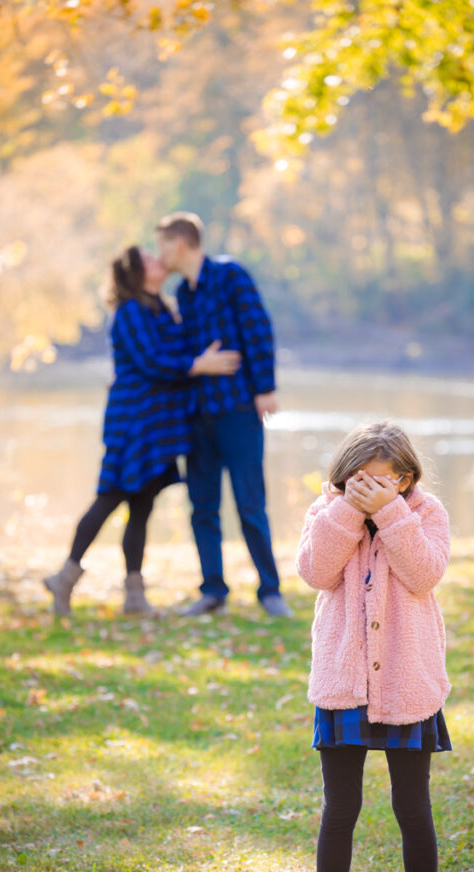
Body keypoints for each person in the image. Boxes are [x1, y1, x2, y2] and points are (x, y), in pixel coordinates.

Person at [295, 420, 453, 872]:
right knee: (340, 806)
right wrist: (348, 511)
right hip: (345, 682)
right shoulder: (327, 512)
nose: (365, 488)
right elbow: (317, 572)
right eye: (355, 479)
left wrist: (389, 514)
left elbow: (424, 573)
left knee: (413, 805)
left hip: (408, 681)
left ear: (405, 479)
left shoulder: (425, 514)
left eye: (379, 481)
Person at [43, 245, 241, 616]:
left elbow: (168, 355)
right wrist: (199, 364)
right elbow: (152, 363)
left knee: (142, 505)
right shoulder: (130, 311)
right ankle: (64, 577)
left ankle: (134, 596)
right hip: (134, 421)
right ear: (136, 273)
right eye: (149, 259)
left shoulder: (161, 307)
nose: (158, 261)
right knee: (110, 495)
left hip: (159, 422)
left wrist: (200, 358)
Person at [155, 211, 292, 618]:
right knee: (202, 506)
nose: (160, 253)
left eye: (162, 243)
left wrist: (265, 388)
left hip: (238, 409)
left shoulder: (230, 275)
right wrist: (198, 363)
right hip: (199, 416)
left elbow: (257, 328)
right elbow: (183, 350)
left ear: (180, 242)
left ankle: (270, 591)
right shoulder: (183, 293)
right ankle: (213, 589)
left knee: (250, 502)